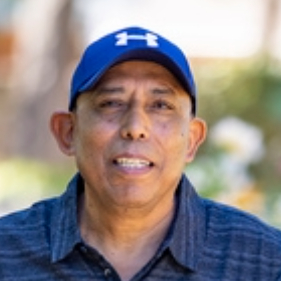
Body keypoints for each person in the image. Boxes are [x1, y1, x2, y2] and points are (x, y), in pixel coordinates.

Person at [0, 26, 281, 281]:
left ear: (192, 140)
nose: (135, 128)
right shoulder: (7, 254)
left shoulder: (265, 262)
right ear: (68, 132)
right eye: (111, 103)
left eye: (161, 105)